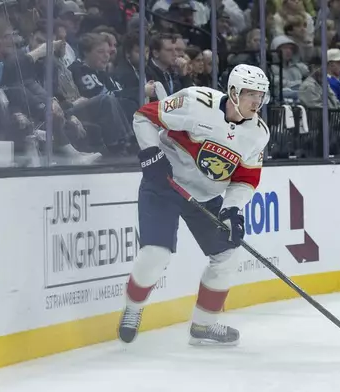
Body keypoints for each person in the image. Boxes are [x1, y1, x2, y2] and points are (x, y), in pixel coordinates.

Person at [118, 64, 271, 346]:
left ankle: (204, 325)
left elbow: (246, 178)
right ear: (234, 92)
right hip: (164, 185)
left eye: (261, 95)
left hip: (206, 196)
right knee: (155, 254)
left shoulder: (258, 133)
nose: (257, 102)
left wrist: (232, 209)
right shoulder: (195, 102)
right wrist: (152, 155)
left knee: (227, 255)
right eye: (251, 94)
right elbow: (143, 117)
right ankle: (133, 309)